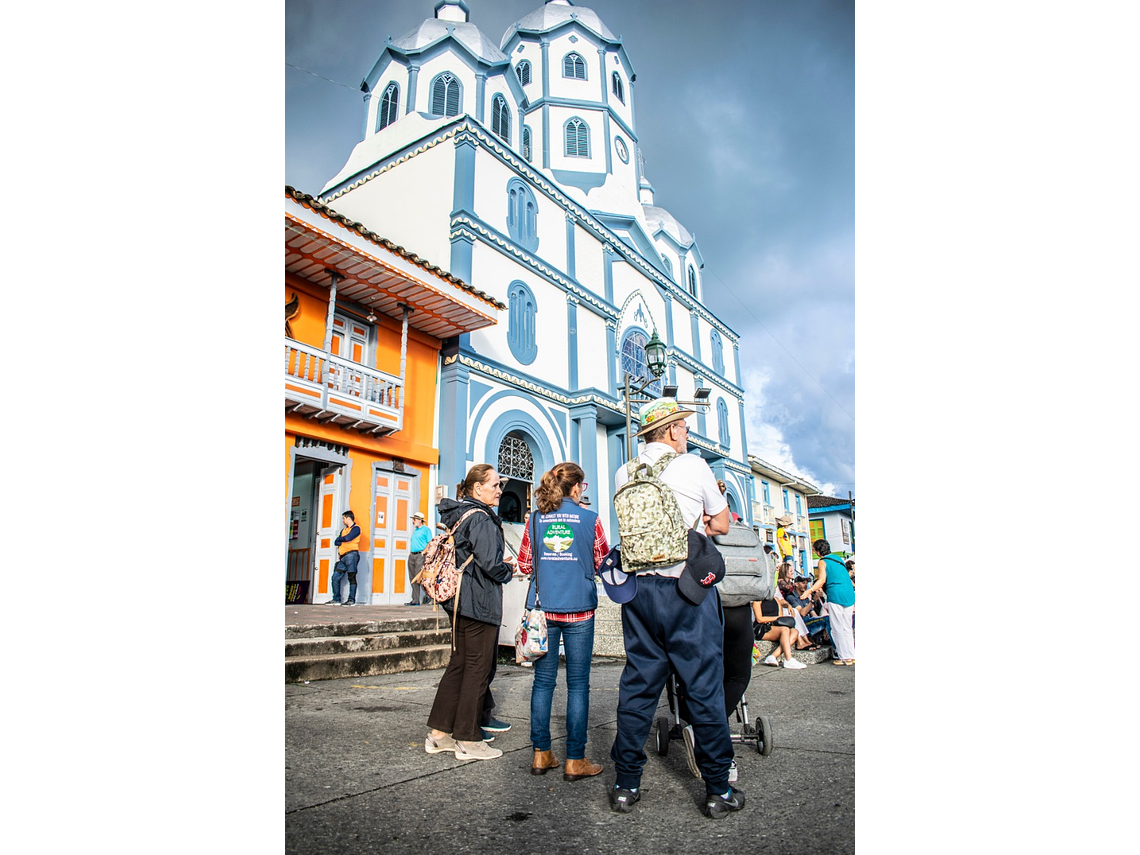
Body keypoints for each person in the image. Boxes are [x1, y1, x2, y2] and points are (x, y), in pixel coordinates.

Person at [609, 397, 744, 820]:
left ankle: (626, 785)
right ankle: (718, 788)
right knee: (703, 688)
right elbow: (722, 524)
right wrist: (699, 522)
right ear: (670, 431)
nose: (687, 433)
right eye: (684, 427)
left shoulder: (623, 472)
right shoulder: (694, 466)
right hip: (685, 592)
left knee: (638, 687)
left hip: (639, 593)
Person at [516, 462, 609, 782]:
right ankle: (575, 759)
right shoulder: (591, 519)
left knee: (543, 683)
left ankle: (541, 754)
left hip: (544, 610)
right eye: (582, 487)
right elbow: (603, 563)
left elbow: (525, 563)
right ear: (576, 487)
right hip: (580, 609)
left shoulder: (536, 518)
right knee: (578, 685)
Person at [424, 465, 516, 761]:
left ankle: (439, 734)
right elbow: (491, 563)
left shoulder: (461, 514)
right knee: (476, 669)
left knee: (459, 665)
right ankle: (467, 738)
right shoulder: (481, 519)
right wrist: (508, 570)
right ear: (478, 489)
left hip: (459, 601)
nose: (499, 491)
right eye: (494, 485)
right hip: (479, 602)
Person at [806, 539, 856, 666]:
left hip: (836, 594)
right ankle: (851, 655)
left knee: (836, 627)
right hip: (848, 593)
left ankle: (844, 657)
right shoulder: (838, 559)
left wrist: (809, 591)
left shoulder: (823, 561)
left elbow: (822, 579)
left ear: (817, 551)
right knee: (847, 626)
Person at [753, 580, 807, 668]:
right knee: (785, 629)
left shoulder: (776, 600)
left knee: (794, 631)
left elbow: (780, 616)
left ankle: (773, 656)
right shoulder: (757, 601)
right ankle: (788, 659)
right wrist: (776, 619)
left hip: (775, 625)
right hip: (762, 627)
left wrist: (778, 619)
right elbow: (759, 619)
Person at [331, 510, 362, 606]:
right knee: (335, 577)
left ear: (349, 518)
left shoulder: (356, 529)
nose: (343, 520)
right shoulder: (343, 530)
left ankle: (351, 600)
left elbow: (348, 538)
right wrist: (342, 539)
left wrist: (342, 539)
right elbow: (336, 542)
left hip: (352, 555)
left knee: (351, 577)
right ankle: (336, 598)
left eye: (344, 518)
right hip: (343, 557)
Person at [406, 512, 432, 606]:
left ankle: (428, 595)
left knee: (419, 577)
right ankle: (415, 600)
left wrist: (423, 552)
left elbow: (430, 542)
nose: (413, 521)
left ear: (420, 520)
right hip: (412, 555)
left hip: (420, 555)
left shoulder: (426, 530)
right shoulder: (416, 530)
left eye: (414, 519)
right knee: (412, 577)